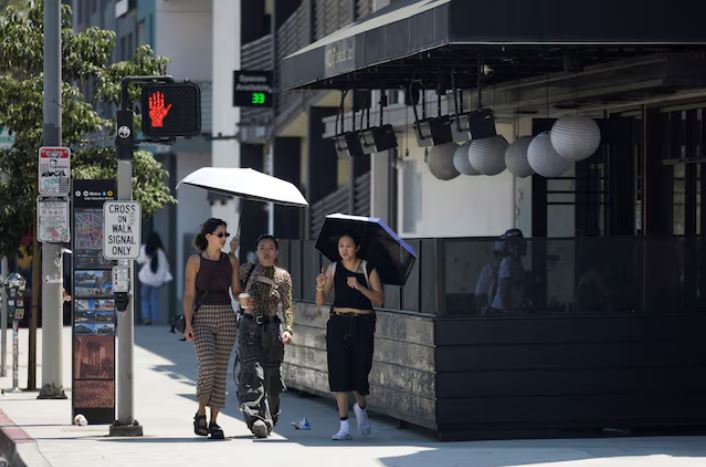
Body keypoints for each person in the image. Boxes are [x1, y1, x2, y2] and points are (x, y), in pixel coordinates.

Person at [315, 233, 384, 441]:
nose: (344, 250)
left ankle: (361, 406)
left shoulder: (367, 268)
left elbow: (380, 299)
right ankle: (343, 424)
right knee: (339, 371)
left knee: (361, 372)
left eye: (348, 246)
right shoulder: (333, 268)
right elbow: (320, 301)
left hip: (362, 323)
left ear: (357, 248)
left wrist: (360, 286)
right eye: (341, 246)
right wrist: (320, 285)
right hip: (338, 322)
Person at [182, 218, 240, 440]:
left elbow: (235, 291)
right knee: (207, 366)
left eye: (226, 234)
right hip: (203, 317)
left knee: (220, 370)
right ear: (208, 236)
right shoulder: (194, 261)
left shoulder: (231, 261)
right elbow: (189, 294)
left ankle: (214, 421)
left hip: (226, 316)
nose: (224, 238)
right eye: (220, 234)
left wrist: (244, 298)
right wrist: (188, 323)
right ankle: (200, 413)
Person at [236, 234, 294, 439]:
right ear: (257, 251)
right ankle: (257, 419)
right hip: (249, 327)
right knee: (252, 374)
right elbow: (232, 282)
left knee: (272, 380)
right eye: (262, 247)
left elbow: (287, 306)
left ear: (276, 252)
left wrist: (288, 329)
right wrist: (232, 251)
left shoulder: (283, 276)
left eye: (271, 248)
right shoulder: (247, 269)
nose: (266, 251)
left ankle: (271, 415)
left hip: (272, 330)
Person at [487, 228, 528, 313]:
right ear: (507, 247)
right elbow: (504, 293)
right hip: (502, 312)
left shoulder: (517, 263)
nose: (516, 247)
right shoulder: (507, 263)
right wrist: (509, 315)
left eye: (518, 243)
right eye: (512, 244)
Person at [137, 232, 172, 326]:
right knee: (154, 299)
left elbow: (139, 261)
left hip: (145, 279)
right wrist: (165, 280)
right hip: (157, 280)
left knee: (144, 299)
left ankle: (146, 317)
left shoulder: (144, 249)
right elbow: (165, 267)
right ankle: (155, 319)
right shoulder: (161, 252)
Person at [474, 239, 504, 313]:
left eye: (504, 255)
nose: (500, 257)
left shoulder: (517, 271)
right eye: (498, 254)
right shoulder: (488, 270)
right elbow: (479, 300)